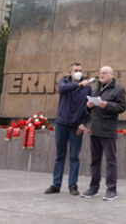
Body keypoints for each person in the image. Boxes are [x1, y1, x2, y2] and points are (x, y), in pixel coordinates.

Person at [44, 62, 93, 195]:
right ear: (70, 73)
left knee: (74, 157)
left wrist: (83, 123)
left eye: (81, 70)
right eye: (76, 70)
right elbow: (63, 89)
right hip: (61, 124)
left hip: (76, 127)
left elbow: (89, 108)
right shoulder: (63, 82)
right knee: (60, 156)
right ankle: (56, 184)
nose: (79, 72)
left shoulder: (87, 87)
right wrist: (78, 85)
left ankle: (73, 185)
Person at [80, 66, 126, 201]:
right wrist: (88, 106)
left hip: (107, 129)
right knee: (95, 161)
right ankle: (93, 188)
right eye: (100, 73)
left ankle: (112, 190)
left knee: (110, 161)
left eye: (104, 73)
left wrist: (107, 105)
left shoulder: (118, 89)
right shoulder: (96, 89)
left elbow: (122, 107)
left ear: (112, 75)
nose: (101, 75)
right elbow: (91, 110)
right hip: (94, 130)